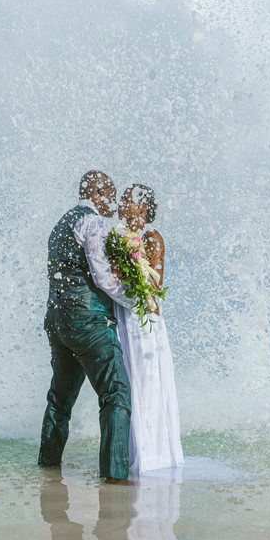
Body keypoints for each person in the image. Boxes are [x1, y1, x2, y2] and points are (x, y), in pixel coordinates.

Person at [38, 170, 135, 483]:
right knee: (116, 393)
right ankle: (115, 477)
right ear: (97, 193)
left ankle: (48, 467)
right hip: (87, 320)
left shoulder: (60, 224)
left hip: (56, 320)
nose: (114, 203)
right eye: (111, 195)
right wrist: (136, 301)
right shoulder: (93, 222)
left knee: (59, 401)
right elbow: (102, 276)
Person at [114, 185, 184, 473]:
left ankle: (151, 457)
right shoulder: (119, 235)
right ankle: (130, 450)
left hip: (143, 320)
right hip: (123, 315)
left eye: (127, 199)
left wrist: (119, 270)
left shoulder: (152, 237)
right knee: (128, 383)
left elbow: (154, 285)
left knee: (146, 382)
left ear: (142, 207)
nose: (120, 203)